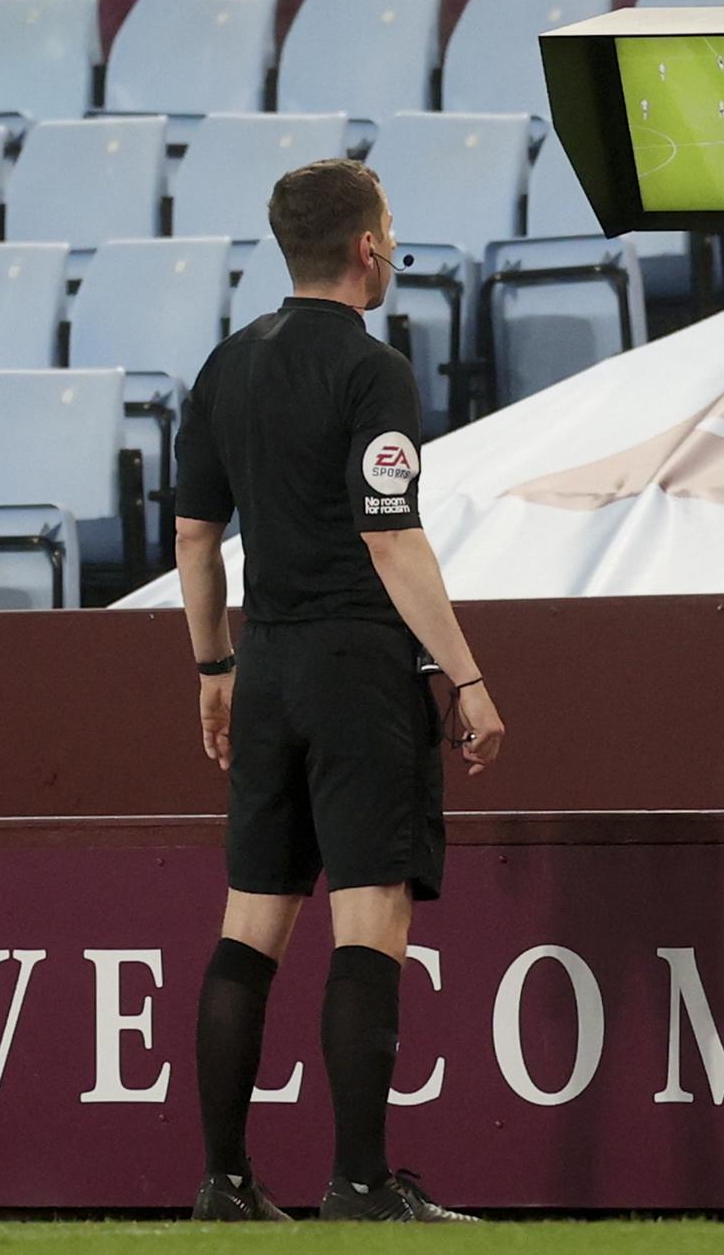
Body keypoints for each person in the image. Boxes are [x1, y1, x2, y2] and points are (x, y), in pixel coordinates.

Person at [173, 157, 505, 1223]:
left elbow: (194, 539)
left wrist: (215, 669)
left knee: (248, 928)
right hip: (359, 671)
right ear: (368, 247)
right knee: (368, 923)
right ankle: (360, 1182)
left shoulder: (226, 365)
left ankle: (224, 1183)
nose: (393, 243)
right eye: (390, 227)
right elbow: (390, 537)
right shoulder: (374, 371)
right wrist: (467, 676)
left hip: (266, 668)